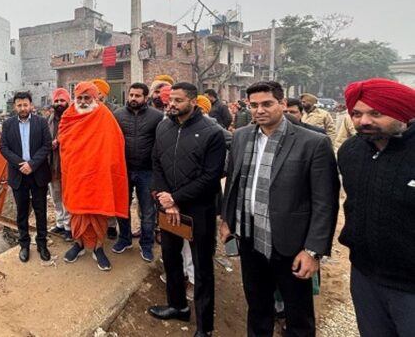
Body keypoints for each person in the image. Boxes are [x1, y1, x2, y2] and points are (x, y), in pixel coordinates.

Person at [220, 81, 339, 337]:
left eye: (267, 104)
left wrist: (312, 250)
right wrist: (228, 219)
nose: (259, 110)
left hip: (290, 244)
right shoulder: (241, 136)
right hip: (250, 238)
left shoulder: (313, 142)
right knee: (257, 307)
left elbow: (324, 202)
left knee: (298, 316)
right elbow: (233, 181)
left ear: (283, 104)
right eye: (254, 105)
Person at [337, 78, 415, 337]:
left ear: (403, 111)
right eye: (357, 114)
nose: (364, 121)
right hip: (365, 276)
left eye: (376, 113)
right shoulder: (350, 151)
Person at [149, 83, 227, 337]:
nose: (171, 104)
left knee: (202, 268)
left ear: (193, 102)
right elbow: (156, 162)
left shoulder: (212, 132)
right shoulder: (163, 126)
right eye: (170, 99)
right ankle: (178, 306)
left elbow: (211, 176)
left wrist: (176, 198)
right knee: (171, 259)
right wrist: (164, 198)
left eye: (178, 100)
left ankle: (205, 328)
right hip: (168, 206)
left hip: (198, 209)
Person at [58, 81, 128, 271]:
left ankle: (98, 248)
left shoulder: (104, 115)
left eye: (86, 98)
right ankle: (78, 244)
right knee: (76, 210)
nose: (82, 101)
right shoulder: (68, 115)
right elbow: (64, 141)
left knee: (98, 212)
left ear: (95, 98)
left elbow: (115, 142)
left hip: (98, 174)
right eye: (79, 98)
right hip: (75, 173)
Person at [112, 82, 163, 262]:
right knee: (122, 208)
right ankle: (124, 239)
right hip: (123, 170)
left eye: (137, 96)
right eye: (131, 95)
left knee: (148, 210)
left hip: (147, 171)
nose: (133, 98)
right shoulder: (117, 115)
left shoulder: (157, 117)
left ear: (146, 97)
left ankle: (146, 244)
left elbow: (161, 145)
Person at [0, 91, 53, 263]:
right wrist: (21, 164)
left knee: (40, 211)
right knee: (22, 212)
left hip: (38, 173)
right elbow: (4, 148)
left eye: (25, 105)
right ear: (15, 107)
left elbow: (46, 145)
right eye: (19, 105)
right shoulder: (7, 125)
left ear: (31, 105)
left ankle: (42, 244)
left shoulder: (41, 122)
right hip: (18, 174)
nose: (23, 108)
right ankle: (24, 244)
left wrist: (32, 164)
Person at [92, 77, 120, 239]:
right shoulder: (86, 110)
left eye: (100, 93)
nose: (97, 96)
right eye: (94, 93)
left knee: (110, 193)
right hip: (92, 160)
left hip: (109, 158)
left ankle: (111, 225)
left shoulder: (115, 111)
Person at [47, 87, 72, 242]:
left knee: (68, 197)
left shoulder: (73, 118)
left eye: (62, 100)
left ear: (68, 102)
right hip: (52, 164)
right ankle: (60, 223)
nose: (59, 103)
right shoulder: (48, 120)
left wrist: (61, 142)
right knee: (56, 197)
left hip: (68, 165)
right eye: (56, 101)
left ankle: (70, 227)